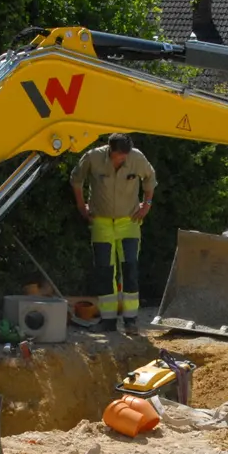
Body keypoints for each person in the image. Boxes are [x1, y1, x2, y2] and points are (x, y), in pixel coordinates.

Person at [71, 133, 156, 333]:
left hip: (129, 222)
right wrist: (82, 207)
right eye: (119, 156)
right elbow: (76, 180)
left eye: (125, 155)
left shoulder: (137, 157)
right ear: (110, 150)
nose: (122, 159)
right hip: (101, 222)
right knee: (104, 271)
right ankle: (108, 321)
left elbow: (150, 179)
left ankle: (130, 321)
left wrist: (147, 204)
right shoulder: (92, 157)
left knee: (130, 269)